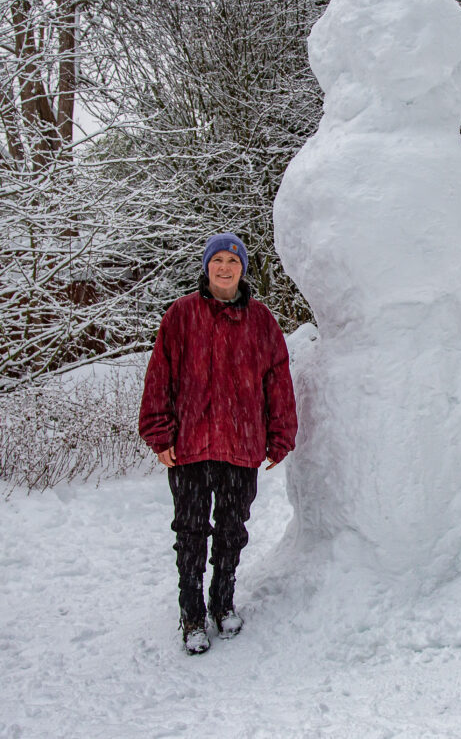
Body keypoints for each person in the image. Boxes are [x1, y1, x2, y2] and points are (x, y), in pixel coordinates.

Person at [139, 233, 297, 655]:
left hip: (241, 446)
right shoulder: (181, 315)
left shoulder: (261, 321)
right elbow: (160, 377)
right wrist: (158, 433)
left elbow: (277, 380)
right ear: (206, 267)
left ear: (243, 269)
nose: (225, 267)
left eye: (233, 260)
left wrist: (280, 436)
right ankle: (191, 615)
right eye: (218, 260)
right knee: (191, 533)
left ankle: (222, 602)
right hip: (190, 447)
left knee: (231, 531)